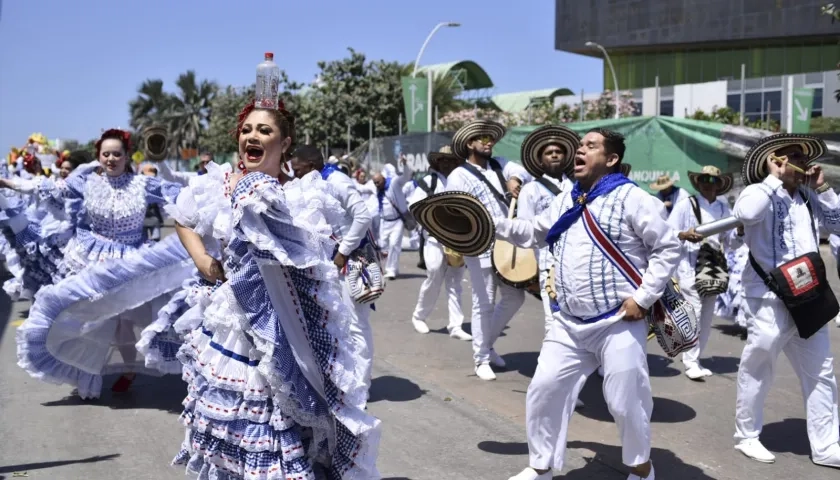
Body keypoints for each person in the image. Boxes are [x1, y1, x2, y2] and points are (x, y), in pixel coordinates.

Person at [170, 99, 380, 479]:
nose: (252, 136)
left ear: (284, 145)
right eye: (247, 130)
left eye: (264, 131)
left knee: (291, 427)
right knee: (238, 425)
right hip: (236, 329)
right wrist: (203, 259)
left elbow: (320, 253)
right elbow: (182, 218)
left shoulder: (304, 194)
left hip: (293, 328)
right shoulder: (218, 184)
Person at [496, 128, 680, 480]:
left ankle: (642, 469)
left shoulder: (632, 198)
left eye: (590, 146)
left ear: (611, 159)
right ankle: (540, 467)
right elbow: (534, 231)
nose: (579, 150)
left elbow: (667, 247)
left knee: (626, 401)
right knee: (543, 391)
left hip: (619, 322)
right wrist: (489, 224)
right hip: (568, 323)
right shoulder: (567, 199)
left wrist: (643, 298)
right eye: (580, 146)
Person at [11, 128, 189, 399]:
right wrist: (7, 183)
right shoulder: (87, 182)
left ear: (127, 156)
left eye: (117, 154)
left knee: (125, 323)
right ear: (99, 157)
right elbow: (46, 187)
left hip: (130, 263)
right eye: (106, 154)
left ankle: (128, 370)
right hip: (92, 260)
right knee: (88, 320)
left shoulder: (143, 184)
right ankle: (88, 374)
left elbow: (183, 195)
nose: (111, 159)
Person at [732, 133, 840, 468]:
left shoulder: (807, 197)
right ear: (775, 160)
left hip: (808, 296)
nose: (803, 162)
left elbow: (838, 224)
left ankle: (826, 446)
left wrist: (823, 188)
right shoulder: (757, 192)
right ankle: (747, 436)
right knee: (759, 365)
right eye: (794, 156)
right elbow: (747, 213)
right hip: (768, 298)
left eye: (804, 157)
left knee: (821, 372)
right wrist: (773, 178)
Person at [445, 119, 532, 381]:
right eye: (482, 138)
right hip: (480, 245)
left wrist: (515, 178)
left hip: (508, 243)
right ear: (469, 143)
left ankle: (487, 344)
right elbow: (453, 212)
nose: (489, 142)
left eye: (491, 138)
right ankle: (481, 358)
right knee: (483, 302)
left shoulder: (500, 164)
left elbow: (523, 171)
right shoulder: (458, 175)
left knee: (515, 297)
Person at [289, 144, 379, 391]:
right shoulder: (316, 181)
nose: (295, 173)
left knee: (356, 324)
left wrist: (343, 252)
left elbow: (363, 216)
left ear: (311, 166)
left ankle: (362, 386)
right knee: (340, 323)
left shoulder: (337, 181)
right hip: (333, 262)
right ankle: (348, 381)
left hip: (353, 260)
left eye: (298, 169)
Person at [669, 165, 741, 380]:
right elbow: (668, 231)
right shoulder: (686, 204)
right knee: (696, 313)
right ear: (698, 182)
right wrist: (684, 235)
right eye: (705, 180)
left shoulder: (723, 209)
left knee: (707, 315)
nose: (709, 185)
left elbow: (731, 242)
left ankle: (695, 358)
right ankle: (691, 361)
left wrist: (740, 231)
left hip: (713, 268)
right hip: (689, 266)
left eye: (713, 181)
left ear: (719, 185)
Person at [408, 145, 470, 341]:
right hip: (434, 238)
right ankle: (419, 316)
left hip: (457, 238)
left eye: (451, 160)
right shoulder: (429, 182)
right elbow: (413, 206)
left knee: (455, 282)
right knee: (434, 272)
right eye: (443, 160)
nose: (447, 163)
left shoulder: (462, 181)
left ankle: (456, 325)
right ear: (437, 162)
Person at [372, 156, 413, 279]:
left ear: (384, 179)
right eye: (374, 183)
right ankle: (388, 267)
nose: (376, 185)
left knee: (394, 244)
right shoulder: (377, 189)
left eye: (378, 182)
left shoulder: (394, 183)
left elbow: (406, 176)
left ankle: (392, 270)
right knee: (383, 246)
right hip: (384, 222)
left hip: (397, 221)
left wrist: (405, 165)